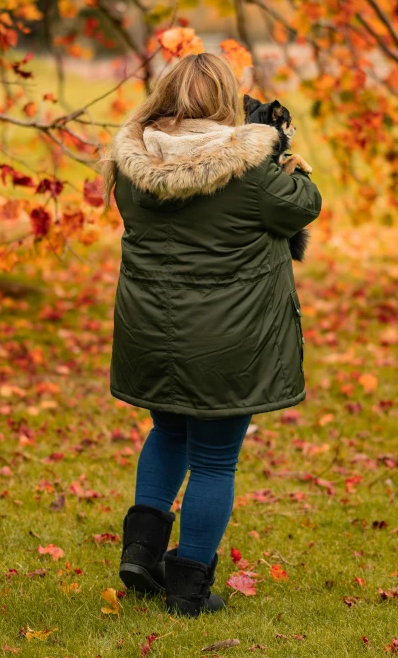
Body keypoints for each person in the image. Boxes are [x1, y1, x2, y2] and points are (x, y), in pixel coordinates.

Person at [102, 53, 322, 617]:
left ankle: (141, 551)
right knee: (216, 459)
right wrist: (277, 149)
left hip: (152, 330)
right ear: (226, 97)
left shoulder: (131, 164)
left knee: (168, 430)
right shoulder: (252, 172)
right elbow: (303, 206)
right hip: (228, 341)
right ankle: (188, 589)